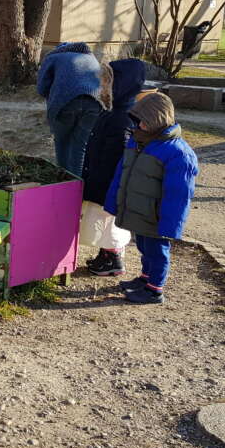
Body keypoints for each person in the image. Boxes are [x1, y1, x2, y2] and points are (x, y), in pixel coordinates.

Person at [104, 93, 198, 304]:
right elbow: (122, 174)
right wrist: (113, 202)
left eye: (144, 122)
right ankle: (145, 278)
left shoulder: (178, 154)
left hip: (156, 216)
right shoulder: (138, 143)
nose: (140, 126)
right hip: (139, 211)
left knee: (157, 252)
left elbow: (178, 195)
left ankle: (155, 289)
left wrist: (170, 225)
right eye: (138, 122)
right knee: (144, 247)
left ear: (157, 120)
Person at [80, 59, 147, 277]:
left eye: (106, 81)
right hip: (100, 177)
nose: (101, 85)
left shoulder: (122, 120)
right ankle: (107, 254)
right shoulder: (113, 113)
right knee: (102, 220)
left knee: (107, 222)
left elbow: (116, 156)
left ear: (119, 85)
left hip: (108, 181)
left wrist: (98, 180)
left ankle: (113, 258)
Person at [37, 42, 103, 176]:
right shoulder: (91, 57)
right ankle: (76, 186)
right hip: (95, 102)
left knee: (62, 142)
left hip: (65, 102)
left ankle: (63, 183)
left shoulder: (53, 57)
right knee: (79, 147)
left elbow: (41, 88)